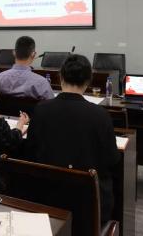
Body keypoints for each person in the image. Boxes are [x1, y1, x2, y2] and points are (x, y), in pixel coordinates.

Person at [26, 54, 120, 224]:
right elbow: (112, 159)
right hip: (89, 204)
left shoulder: (41, 109)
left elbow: (31, 150)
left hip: (47, 197)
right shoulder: (100, 115)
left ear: (60, 77)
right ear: (88, 81)